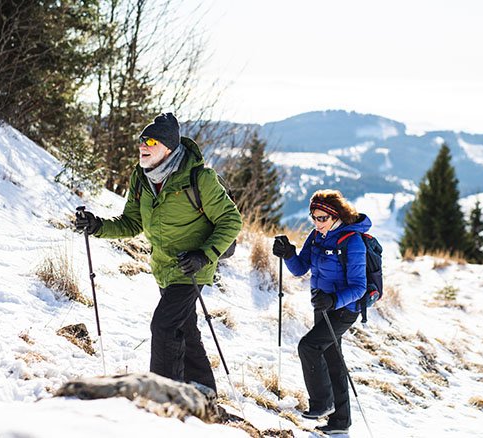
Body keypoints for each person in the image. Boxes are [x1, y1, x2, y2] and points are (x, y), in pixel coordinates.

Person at [75, 112, 242, 393]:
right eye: (142, 139)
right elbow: (131, 222)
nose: (143, 145)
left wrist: (204, 255)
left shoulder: (199, 179)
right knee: (184, 328)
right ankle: (203, 389)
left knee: (164, 326)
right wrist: (97, 226)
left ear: (169, 148)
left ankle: (161, 396)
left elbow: (231, 220)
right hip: (164, 267)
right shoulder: (141, 178)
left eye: (151, 140)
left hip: (194, 267)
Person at [272, 190, 371, 435]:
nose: (317, 223)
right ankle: (340, 423)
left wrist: (333, 299)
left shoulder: (352, 242)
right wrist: (289, 254)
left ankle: (322, 403)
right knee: (333, 361)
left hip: (345, 309)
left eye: (322, 218)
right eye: (314, 217)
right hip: (323, 306)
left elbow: (359, 287)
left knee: (309, 346)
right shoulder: (316, 237)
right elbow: (299, 269)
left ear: (335, 216)